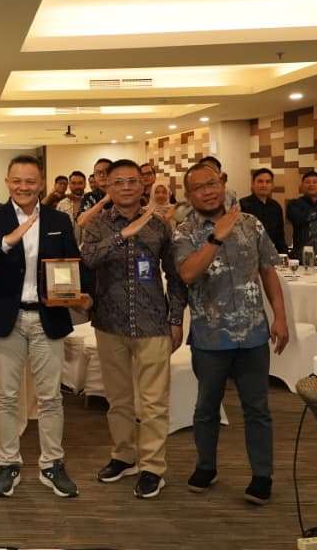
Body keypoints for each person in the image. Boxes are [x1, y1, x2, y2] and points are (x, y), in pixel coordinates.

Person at [0, 155, 90, 499]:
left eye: (30, 181)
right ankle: (7, 463)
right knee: (6, 396)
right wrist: (7, 240)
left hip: (48, 317)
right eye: (17, 181)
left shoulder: (58, 219)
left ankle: (52, 463)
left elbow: (73, 262)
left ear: (41, 183)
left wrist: (82, 293)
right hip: (9, 317)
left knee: (50, 397)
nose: (23, 187)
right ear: (7, 182)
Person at [173, 164, 289, 506]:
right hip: (210, 337)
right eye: (198, 188)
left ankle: (262, 475)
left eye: (212, 183)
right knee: (206, 406)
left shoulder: (251, 223)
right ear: (189, 195)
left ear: (223, 183)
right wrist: (216, 237)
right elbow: (188, 273)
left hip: (253, 334)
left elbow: (268, 270)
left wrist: (280, 317)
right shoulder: (184, 232)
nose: (207, 191)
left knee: (257, 408)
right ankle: (206, 466)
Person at [80, 160, 187, 500]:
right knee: (119, 399)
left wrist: (176, 319)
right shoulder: (96, 225)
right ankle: (124, 455)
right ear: (107, 187)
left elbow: (175, 276)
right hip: (109, 322)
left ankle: (153, 467)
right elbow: (88, 260)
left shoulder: (160, 225)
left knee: (154, 402)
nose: (126, 187)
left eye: (132, 181)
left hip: (153, 321)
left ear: (143, 186)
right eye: (118, 182)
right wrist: (122, 236)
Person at [239, 169, 287, 255]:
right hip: (248, 255)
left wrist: (284, 255)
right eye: (260, 181)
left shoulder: (276, 206)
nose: (264, 185)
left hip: (271, 254)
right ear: (253, 184)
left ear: (272, 185)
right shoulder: (242, 205)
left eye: (268, 182)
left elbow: (280, 236)